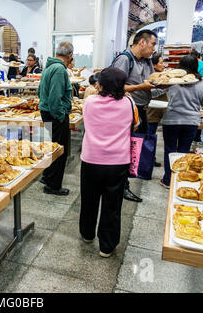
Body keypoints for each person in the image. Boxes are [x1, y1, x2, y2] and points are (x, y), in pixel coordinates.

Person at [79, 67, 139, 258]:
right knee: (112, 204)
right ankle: (106, 245)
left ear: (100, 85)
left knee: (89, 198)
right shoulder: (129, 103)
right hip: (117, 161)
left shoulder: (89, 102)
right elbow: (135, 125)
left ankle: (87, 233)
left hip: (91, 158)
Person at [111, 29, 161, 203]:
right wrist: (141, 87)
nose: (154, 49)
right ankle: (121, 186)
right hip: (127, 110)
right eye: (153, 44)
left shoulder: (147, 62)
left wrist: (167, 84)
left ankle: (130, 176)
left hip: (142, 108)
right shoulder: (124, 59)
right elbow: (114, 87)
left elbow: (151, 84)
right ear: (142, 42)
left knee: (137, 147)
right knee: (125, 149)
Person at [160, 55, 203, 188]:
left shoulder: (173, 81)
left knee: (170, 150)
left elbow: (155, 91)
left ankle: (168, 180)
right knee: (183, 152)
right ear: (196, 66)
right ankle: (179, 180)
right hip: (191, 122)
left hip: (171, 120)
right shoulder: (201, 83)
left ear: (180, 66)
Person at [38, 41, 73, 196]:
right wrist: (60, 115)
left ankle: (47, 176)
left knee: (51, 147)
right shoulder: (59, 69)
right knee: (59, 150)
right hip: (54, 115)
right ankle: (53, 185)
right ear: (70, 55)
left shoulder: (49, 66)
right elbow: (54, 98)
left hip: (47, 112)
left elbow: (40, 91)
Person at [146, 52, 168, 167]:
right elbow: (151, 93)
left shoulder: (162, 76)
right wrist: (166, 87)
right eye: (161, 63)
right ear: (154, 65)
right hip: (152, 112)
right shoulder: (152, 77)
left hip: (160, 110)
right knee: (150, 136)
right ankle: (148, 160)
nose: (163, 65)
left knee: (152, 135)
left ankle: (150, 159)